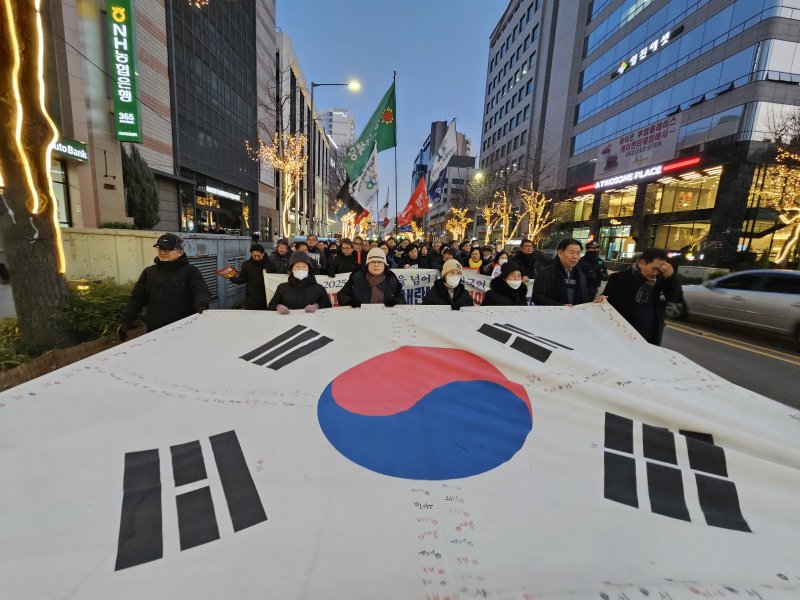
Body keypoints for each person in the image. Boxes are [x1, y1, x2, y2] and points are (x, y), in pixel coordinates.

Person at [117, 233, 210, 340]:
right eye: (160, 248)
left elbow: (200, 292)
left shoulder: (191, 271)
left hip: (184, 328)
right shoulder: (149, 272)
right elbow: (136, 299)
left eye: (168, 249)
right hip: (155, 330)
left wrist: (201, 306)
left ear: (180, 251)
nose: (163, 252)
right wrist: (126, 322)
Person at [603, 248, 682, 345]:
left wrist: (671, 277)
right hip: (623, 337)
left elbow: (676, 298)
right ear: (641, 263)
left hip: (650, 339)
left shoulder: (662, 282)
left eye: (660, 270)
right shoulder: (618, 279)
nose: (655, 273)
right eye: (654, 269)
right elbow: (605, 304)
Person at [532, 238, 605, 307]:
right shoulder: (545, 272)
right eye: (571, 253)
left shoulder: (580, 274)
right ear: (560, 253)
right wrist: (561, 306)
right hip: (553, 315)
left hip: (575, 315)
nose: (575, 257)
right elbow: (537, 297)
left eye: (578, 253)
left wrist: (593, 302)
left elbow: (584, 298)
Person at [337, 248, 406, 307]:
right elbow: (342, 295)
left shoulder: (392, 279)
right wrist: (350, 301)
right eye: (373, 262)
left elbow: (402, 300)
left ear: (385, 265)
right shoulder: (357, 278)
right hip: (360, 317)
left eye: (379, 262)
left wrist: (395, 302)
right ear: (367, 264)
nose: (376, 265)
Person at [267, 251, 331, 314]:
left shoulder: (319, 288)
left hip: (312, 322)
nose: (301, 269)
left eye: (304, 266)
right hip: (288, 322)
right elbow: (271, 306)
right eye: (297, 266)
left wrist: (317, 306)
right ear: (292, 269)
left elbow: (328, 306)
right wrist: (278, 307)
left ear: (308, 269)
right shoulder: (282, 287)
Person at [227, 244, 268, 310]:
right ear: (251, 254)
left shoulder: (269, 264)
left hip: (265, 298)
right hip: (251, 298)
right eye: (254, 256)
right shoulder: (246, 264)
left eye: (259, 256)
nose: (257, 258)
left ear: (263, 254)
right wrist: (231, 277)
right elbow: (242, 279)